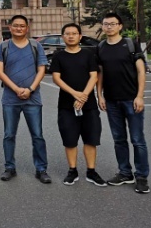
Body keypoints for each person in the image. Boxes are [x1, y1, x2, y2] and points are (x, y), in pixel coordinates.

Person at [0, 14, 52, 184]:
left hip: (33, 99)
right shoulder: (3, 47)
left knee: (37, 135)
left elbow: (42, 69)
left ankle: (41, 169)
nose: (19, 28)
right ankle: (9, 168)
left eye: (22, 26)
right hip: (10, 99)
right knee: (9, 135)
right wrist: (17, 89)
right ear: (10, 27)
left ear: (27, 28)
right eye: (15, 25)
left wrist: (30, 89)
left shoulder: (36, 46)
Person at [97, 12, 150, 194]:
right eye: (106, 24)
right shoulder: (101, 47)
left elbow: (141, 71)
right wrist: (99, 95)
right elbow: (100, 73)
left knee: (137, 140)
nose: (109, 27)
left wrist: (140, 96)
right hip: (111, 101)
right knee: (119, 139)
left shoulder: (130, 44)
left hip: (131, 99)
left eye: (113, 24)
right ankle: (125, 173)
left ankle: (141, 176)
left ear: (120, 26)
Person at [50, 23, 106, 187]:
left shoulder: (88, 54)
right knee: (70, 139)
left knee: (91, 139)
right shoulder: (59, 56)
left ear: (80, 36)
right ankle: (72, 170)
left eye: (74, 33)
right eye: (67, 34)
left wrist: (83, 96)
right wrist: (75, 94)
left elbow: (94, 76)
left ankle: (91, 171)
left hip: (89, 106)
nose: (71, 36)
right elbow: (56, 78)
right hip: (66, 105)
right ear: (63, 37)